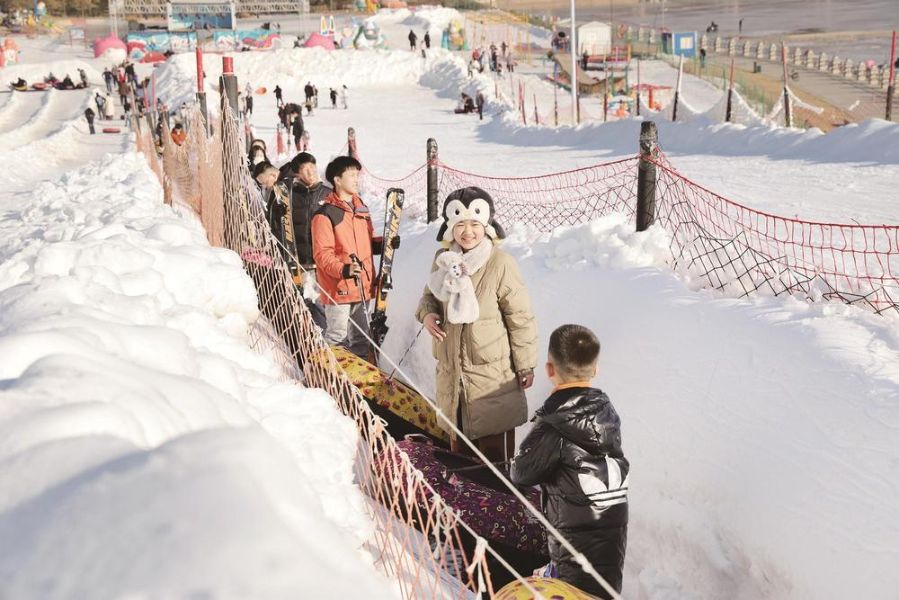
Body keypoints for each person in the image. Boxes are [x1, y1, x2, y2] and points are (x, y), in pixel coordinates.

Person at [416, 186, 537, 463]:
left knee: (495, 461)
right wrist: (428, 314)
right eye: (460, 224)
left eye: (474, 224)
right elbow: (429, 296)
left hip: (491, 378)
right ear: (450, 227)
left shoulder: (500, 264)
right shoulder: (443, 260)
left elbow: (520, 318)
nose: (467, 232)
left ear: (487, 226)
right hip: (452, 375)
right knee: (460, 456)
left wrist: (525, 365)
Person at [510, 324, 628, 599]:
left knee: (573, 592)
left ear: (550, 370)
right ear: (595, 370)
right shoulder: (606, 414)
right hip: (611, 538)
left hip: (574, 546)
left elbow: (521, 472)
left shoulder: (554, 424)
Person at [311, 156, 394, 358]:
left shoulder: (361, 209)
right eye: (352, 175)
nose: (357, 180)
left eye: (357, 175)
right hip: (339, 285)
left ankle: (358, 373)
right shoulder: (325, 214)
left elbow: (365, 242)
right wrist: (343, 269)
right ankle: (330, 372)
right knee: (337, 336)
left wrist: (384, 244)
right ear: (337, 180)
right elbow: (322, 254)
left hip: (362, 284)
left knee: (361, 338)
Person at [265, 152, 330, 329]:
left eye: (313, 167)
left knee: (322, 308)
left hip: (321, 265)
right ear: (297, 173)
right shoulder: (286, 194)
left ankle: (324, 340)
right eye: (305, 169)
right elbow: (274, 225)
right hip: (295, 262)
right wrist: (281, 253)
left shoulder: (327, 194)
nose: (311, 172)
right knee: (298, 308)